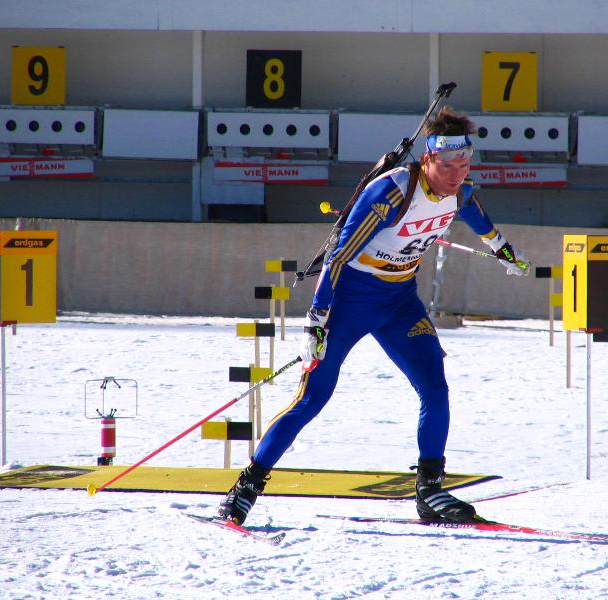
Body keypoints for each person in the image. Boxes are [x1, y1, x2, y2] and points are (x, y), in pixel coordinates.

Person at [218, 106, 530, 525]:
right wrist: (317, 320)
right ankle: (244, 491)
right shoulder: (393, 191)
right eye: (448, 165)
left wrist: (504, 250)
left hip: (400, 302)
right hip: (349, 303)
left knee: (435, 388)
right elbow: (340, 253)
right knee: (313, 398)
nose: (457, 173)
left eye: (465, 163)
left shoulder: (459, 191)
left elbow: (476, 214)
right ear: (428, 160)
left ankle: (430, 490)